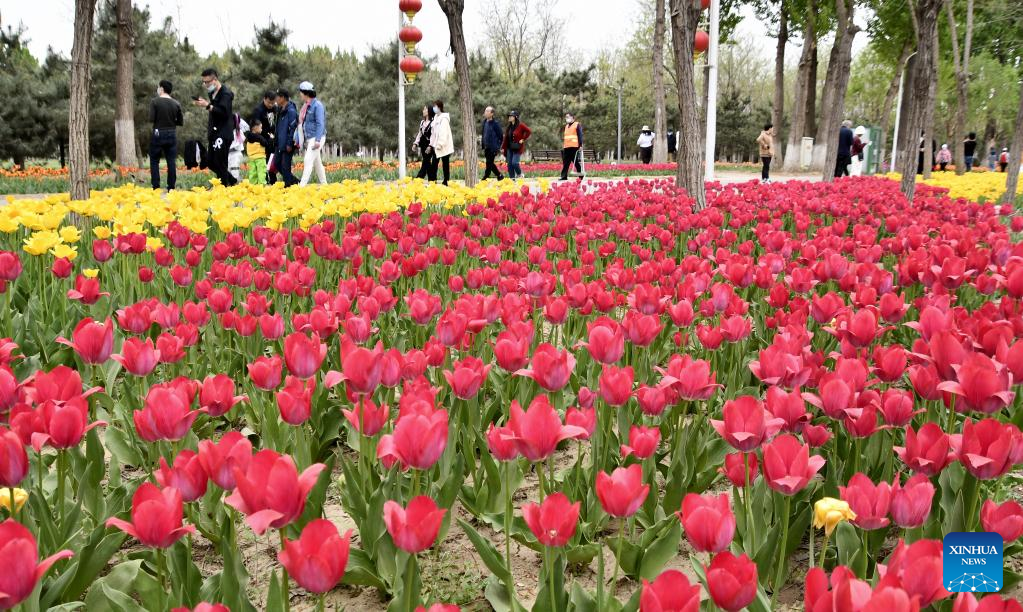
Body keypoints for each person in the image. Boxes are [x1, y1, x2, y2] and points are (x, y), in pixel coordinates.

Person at [194, 68, 237, 186]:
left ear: (215, 80)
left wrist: (207, 105)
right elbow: (214, 110)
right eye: (204, 82)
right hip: (214, 132)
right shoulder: (212, 93)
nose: (205, 84)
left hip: (224, 132)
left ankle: (223, 187)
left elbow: (224, 112)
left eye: (207, 82)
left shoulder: (226, 94)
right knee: (211, 162)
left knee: (220, 162)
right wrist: (205, 104)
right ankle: (231, 180)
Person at [149, 79, 183, 190]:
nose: (157, 89)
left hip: (158, 132)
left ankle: (156, 186)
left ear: (162, 88)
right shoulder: (176, 103)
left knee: (154, 160)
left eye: (158, 87)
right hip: (171, 133)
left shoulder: (154, 102)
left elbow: (151, 119)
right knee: (171, 161)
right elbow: (180, 122)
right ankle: (171, 187)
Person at [297, 81, 327, 186]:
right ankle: (325, 185)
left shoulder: (317, 105)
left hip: (317, 138)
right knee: (317, 163)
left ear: (306, 93)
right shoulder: (306, 106)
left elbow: (320, 124)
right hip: (310, 138)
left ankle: (301, 187)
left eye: (301, 92)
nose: (300, 94)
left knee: (308, 160)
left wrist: (318, 140)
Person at [272, 88, 299, 187]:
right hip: (279, 143)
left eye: (277, 97)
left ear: (283, 98)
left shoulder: (291, 111)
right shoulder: (280, 110)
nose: (276, 100)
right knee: (277, 164)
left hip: (287, 144)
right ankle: (295, 181)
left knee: (285, 167)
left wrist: (289, 143)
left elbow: (292, 128)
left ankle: (288, 186)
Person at [252, 91, 277, 183]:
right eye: (269, 102)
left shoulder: (275, 108)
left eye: (272, 103)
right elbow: (256, 127)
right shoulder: (258, 110)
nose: (270, 105)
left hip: (273, 139)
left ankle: (273, 180)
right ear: (264, 99)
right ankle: (264, 180)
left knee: (272, 160)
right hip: (262, 140)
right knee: (263, 162)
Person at [429, 100, 454, 186]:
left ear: (439, 107)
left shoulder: (444, 119)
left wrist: (440, 144)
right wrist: (433, 144)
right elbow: (434, 133)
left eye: (435, 106)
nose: (434, 108)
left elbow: (444, 132)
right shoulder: (435, 118)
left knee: (445, 164)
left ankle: (446, 181)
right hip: (437, 145)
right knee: (434, 164)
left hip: (444, 146)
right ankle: (433, 181)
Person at [502, 110, 531, 180]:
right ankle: (512, 179)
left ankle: (520, 174)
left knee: (514, 163)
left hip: (517, 147)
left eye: (511, 116)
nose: (509, 117)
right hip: (509, 148)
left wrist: (523, 139)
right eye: (509, 116)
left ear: (515, 117)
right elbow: (506, 138)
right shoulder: (509, 126)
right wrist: (503, 147)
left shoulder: (521, 125)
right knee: (509, 165)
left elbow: (528, 131)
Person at [481, 106, 504, 181]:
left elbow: (500, 135)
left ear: (492, 114)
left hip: (493, 147)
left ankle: (485, 177)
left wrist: (498, 146)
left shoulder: (495, 124)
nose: (485, 112)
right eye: (485, 111)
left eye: (487, 111)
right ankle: (499, 175)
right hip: (486, 146)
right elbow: (484, 133)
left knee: (489, 162)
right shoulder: (484, 122)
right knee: (489, 163)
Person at [244, 119, 271, 185]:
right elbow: (265, 144)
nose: (261, 129)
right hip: (260, 158)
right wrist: (270, 139)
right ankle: (262, 186)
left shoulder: (248, 137)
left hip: (251, 158)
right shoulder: (259, 137)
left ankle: (253, 186)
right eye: (260, 127)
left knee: (252, 173)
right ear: (255, 128)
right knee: (261, 172)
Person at [560, 112, 584, 181]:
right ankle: (564, 176)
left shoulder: (577, 125)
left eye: (568, 117)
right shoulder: (566, 126)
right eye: (566, 117)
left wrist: (580, 145)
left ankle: (580, 176)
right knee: (565, 162)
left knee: (575, 162)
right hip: (566, 147)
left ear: (572, 117)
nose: (567, 118)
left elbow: (580, 135)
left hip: (574, 147)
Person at [414, 105, 435, 181]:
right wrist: (415, 143)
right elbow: (420, 134)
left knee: (426, 161)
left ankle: (418, 179)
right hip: (423, 144)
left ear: (429, 111)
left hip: (429, 145)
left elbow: (433, 135)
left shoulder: (433, 123)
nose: (423, 111)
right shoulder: (422, 122)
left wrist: (430, 146)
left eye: (425, 109)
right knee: (427, 162)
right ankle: (432, 180)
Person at [228, 113, 249, 182]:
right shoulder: (230, 132)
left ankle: (235, 185)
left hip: (235, 154)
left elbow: (236, 146)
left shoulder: (238, 133)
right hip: (229, 155)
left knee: (235, 171)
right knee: (229, 171)